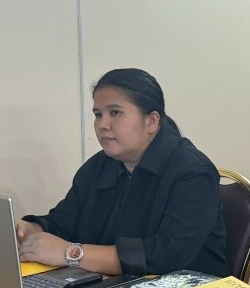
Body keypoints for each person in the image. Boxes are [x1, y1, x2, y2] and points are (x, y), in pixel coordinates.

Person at [16, 68, 230, 277]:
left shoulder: (193, 172)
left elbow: (167, 254)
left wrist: (71, 253)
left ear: (151, 121)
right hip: (115, 287)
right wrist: (30, 231)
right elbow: (65, 223)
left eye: (115, 113)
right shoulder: (99, 166)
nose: (102, 124)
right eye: (98, 114)